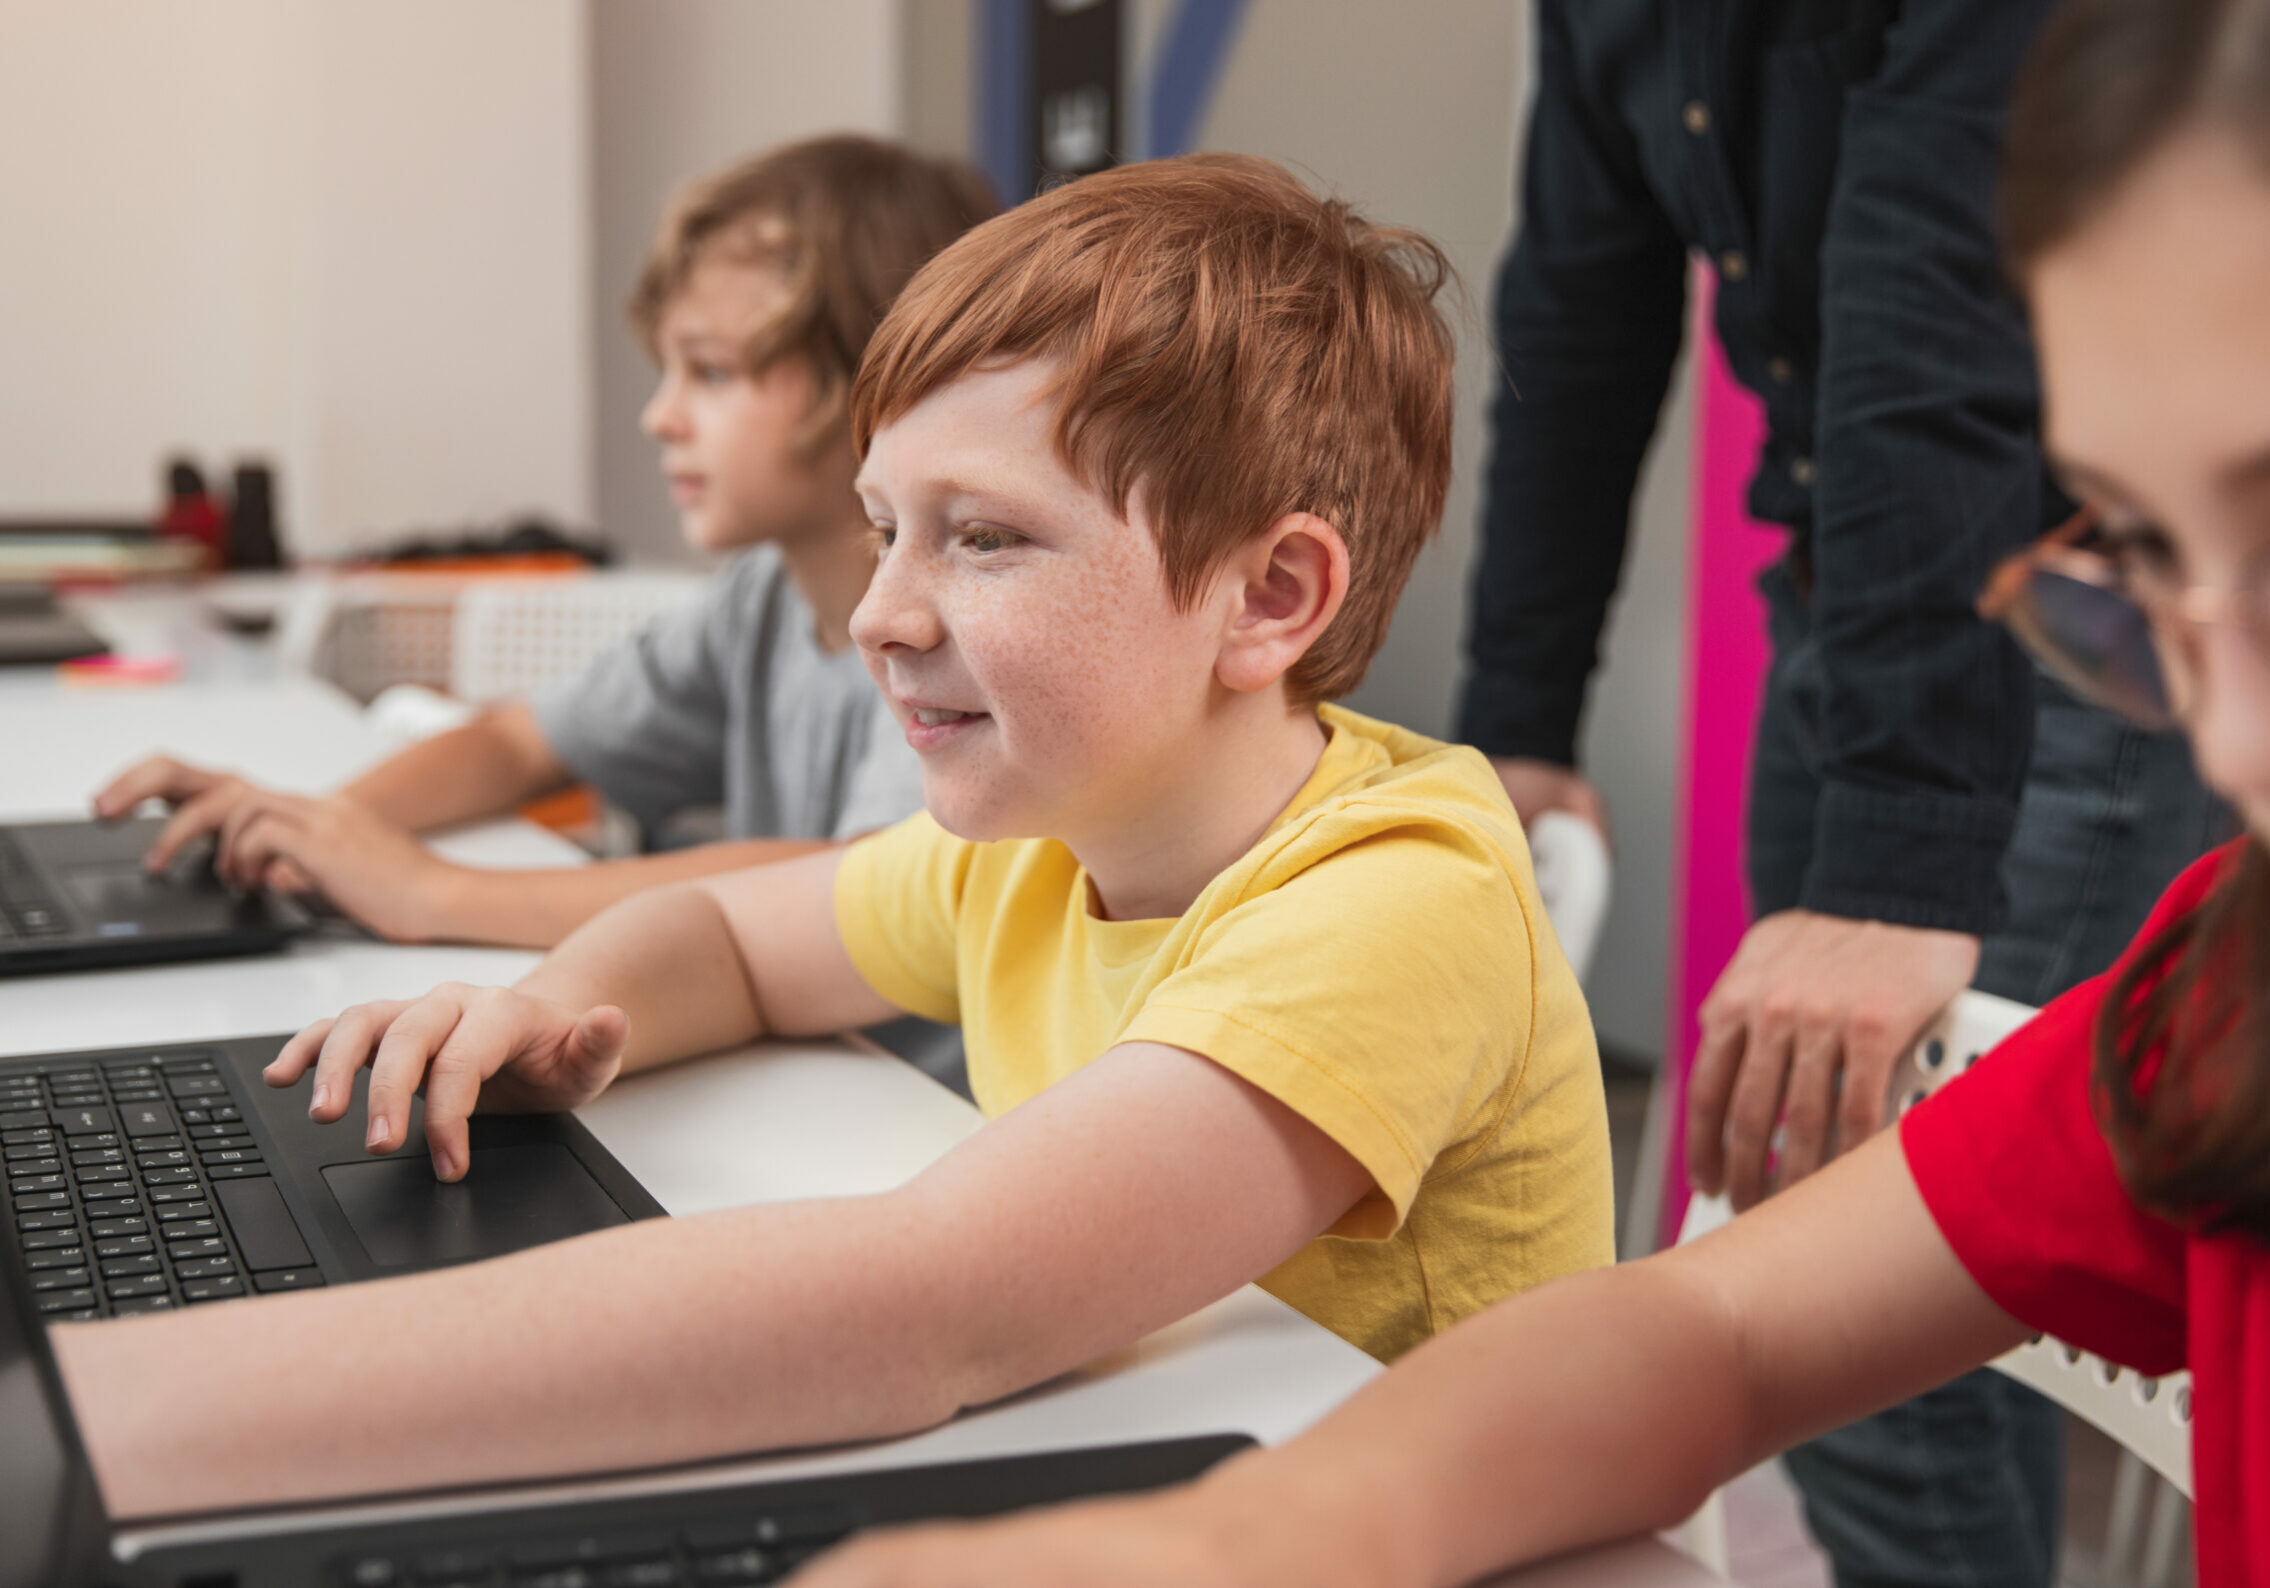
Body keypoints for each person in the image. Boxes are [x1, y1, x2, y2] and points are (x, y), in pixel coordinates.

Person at [774, 0, 2270, 1580]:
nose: (2224, 745)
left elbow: (1927, 343)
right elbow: (1720, 1324)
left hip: (1921, 637)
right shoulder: (2218, 999)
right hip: (1857, 600)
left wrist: (1898, 860)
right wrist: (1230, 1545)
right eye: (2138, 551)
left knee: (1911, 1430)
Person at [50, 154, 1616, 1520]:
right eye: (883, 527)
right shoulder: (1038, 842)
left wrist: (94, 1418)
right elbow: (735, 939)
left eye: (985, 538)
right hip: (1206, 1471)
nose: (876, 614)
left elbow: (933, 1308)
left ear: (1267, 599)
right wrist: (553, 1008)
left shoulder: (1393, 901)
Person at [1457, 2, 2232, 1578]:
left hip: (2030, 642)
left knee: (1893, 1377)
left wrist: (1897, 861)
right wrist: (1516, 718)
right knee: (1856, 1279)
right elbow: (1577, 309)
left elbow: (1926, 308)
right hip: (1862, 610)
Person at [89, 136, 997, 952]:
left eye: (711, 372)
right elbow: (522, 744)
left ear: (876, 375)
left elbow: (855, 891)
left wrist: (432, 892)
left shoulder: (951, 632)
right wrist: (311, 830)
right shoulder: (758, 596)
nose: (660, 416)